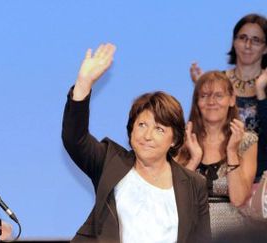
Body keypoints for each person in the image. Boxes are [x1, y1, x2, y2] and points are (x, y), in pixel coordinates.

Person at [62, 43, 210, 243]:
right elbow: (75, 139)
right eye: (141, 125)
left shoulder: (194, 185)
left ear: (174, 139)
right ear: (131, 129)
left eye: (159, 129)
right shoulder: (110, 161)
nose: (147, 135)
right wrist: (83, 84)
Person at [177, 71, 258, 237]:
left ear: (232, 100)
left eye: (219, 95)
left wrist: (231, 151)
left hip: (232, 234)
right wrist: (194, 160)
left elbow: (238, 198)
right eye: (204, 96)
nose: (211, 102)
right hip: (190, 231)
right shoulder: (182, 140)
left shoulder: (247, 141)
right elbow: (173, 195)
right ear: (197, 102)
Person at [190, 13, 267, 182]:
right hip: (222, 180)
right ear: (234, 41)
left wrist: (261, 94)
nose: (247, 45)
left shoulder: (265, 84)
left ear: (265, 47)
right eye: (243, 38)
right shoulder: (218, 81)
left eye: (256, 40)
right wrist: (202, 89)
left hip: (262, 180)